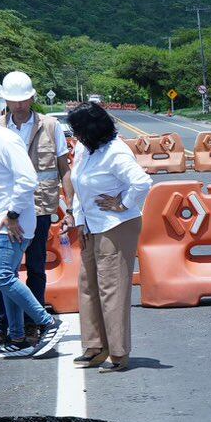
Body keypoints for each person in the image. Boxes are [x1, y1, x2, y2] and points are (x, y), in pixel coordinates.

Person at [60, 103, 150, 373]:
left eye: (77, 130)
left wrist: (123, 204)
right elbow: (79, 186)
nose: (75, 135)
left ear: (91, 129)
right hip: (92, 225)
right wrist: (79, 220)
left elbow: (142, 182)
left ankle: (119, 352)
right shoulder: (85, 150)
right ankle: (95, 345)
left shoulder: (115, 152)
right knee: (88, 285)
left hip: (116, 225)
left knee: (112, 288)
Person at [0, 102, 63, 360]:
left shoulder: (4, 140)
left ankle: (47, 322)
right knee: (6, 278)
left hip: (9, 224)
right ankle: (17, 338)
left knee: (1, 276)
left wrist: (12, 214)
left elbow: (28, 179)